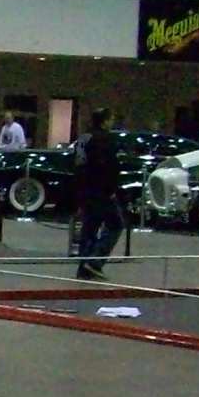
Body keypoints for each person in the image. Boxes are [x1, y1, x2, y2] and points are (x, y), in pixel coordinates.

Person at [75, 108, 124, 281]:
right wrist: (111, 190)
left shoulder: (83, 138)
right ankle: (95, 261)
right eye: (111, 119)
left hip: (84, 190)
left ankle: (84, 268)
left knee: (89, 229)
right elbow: (110, 167)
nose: (112, 122)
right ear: (104, 121)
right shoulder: (106, 140)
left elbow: (78, 164)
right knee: (116, 224)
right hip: (101, 191)